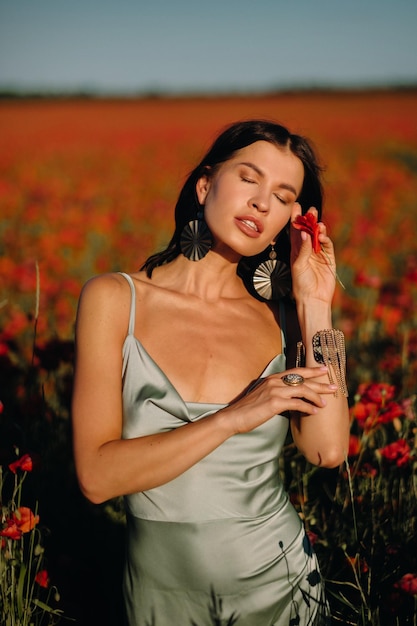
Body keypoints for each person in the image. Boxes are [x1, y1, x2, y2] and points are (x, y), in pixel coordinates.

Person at [72, 119, 350, 626]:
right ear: (205, 185)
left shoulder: (282, 318)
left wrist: (314, 304)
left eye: (283, 195)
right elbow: (96, 477)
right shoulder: (115, 300)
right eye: (249, 178)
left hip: (283, 587)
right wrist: (232, 418)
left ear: (291, 218)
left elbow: (326, 450)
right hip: (161, 601)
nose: (263, 202)